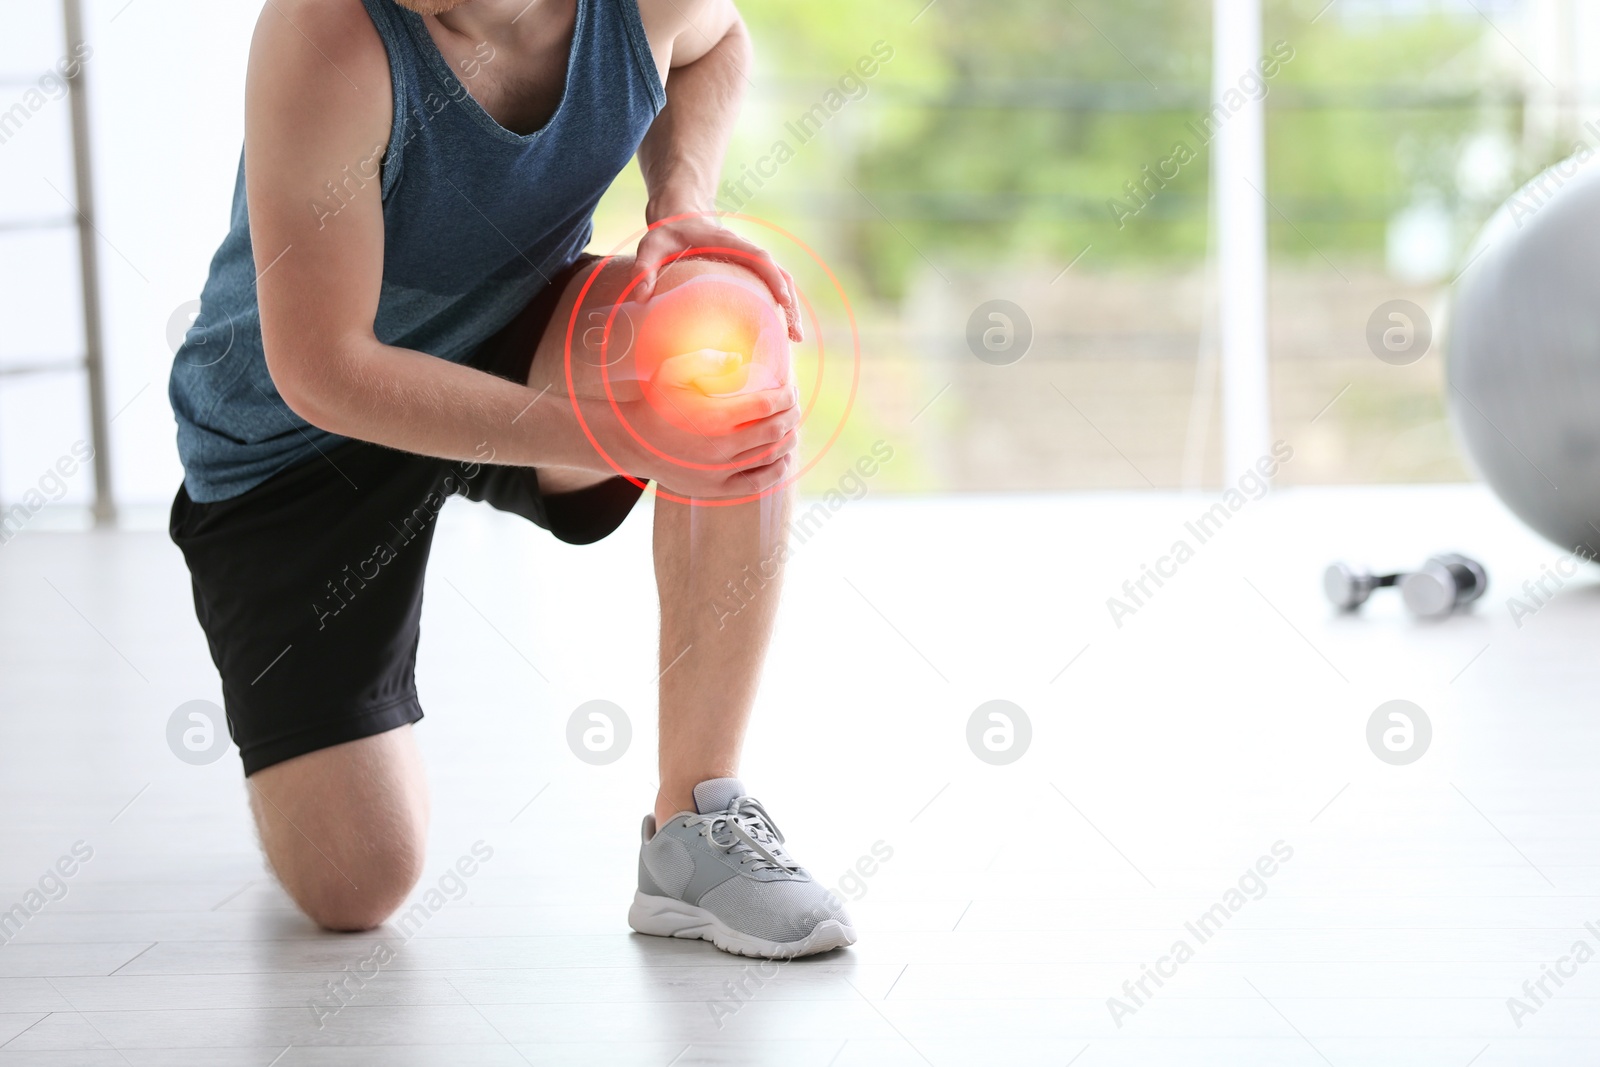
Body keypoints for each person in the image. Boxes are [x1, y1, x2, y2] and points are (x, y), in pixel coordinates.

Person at [167, 0, 855, 959]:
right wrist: (616, 434)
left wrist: (682, 203)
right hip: (292, 445)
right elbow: (323, 369)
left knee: (721, 326)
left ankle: (696, 823)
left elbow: (719, 40)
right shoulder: (327, 34)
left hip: (502, 337)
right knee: (359, 883)